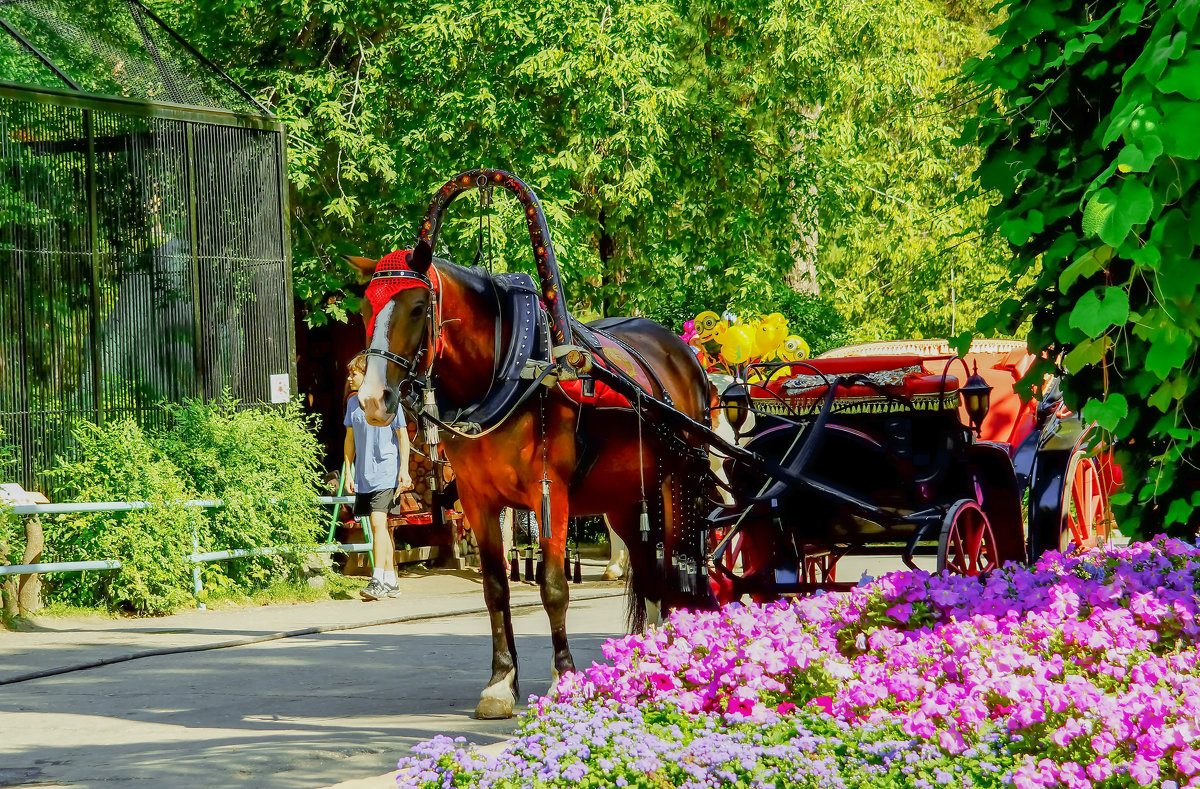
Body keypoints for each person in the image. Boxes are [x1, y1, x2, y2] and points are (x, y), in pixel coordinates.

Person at [343, 353, 412, 600]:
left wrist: (403, 470)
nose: (350, 378)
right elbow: (349, 440)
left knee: (377, 523)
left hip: (386, 471)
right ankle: (392, 581)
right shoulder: (353, 403)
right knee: (384, 529)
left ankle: (378, 579)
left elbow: (403, 437)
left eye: (355, 373)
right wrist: (348, 471)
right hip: (364, 474)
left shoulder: (389, 398)